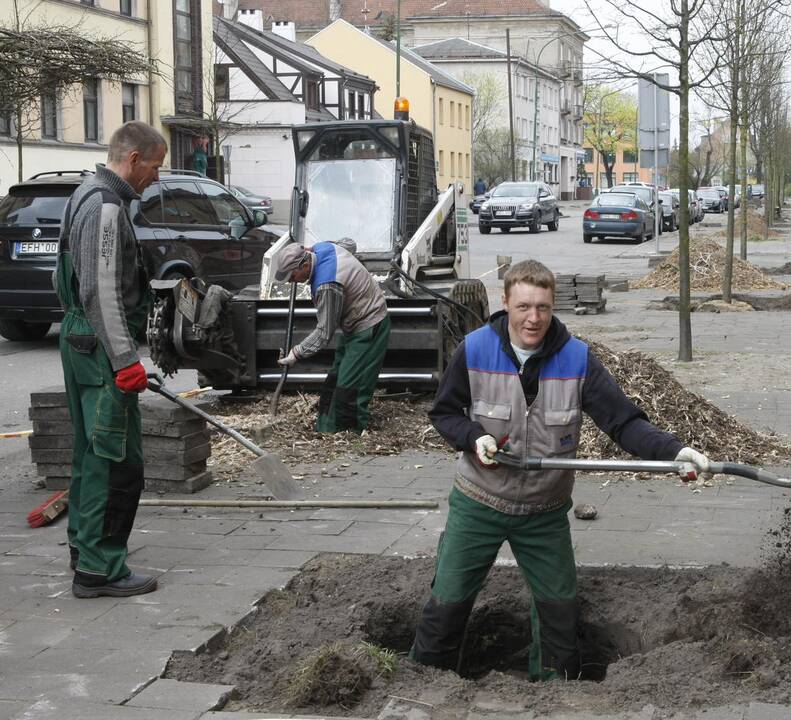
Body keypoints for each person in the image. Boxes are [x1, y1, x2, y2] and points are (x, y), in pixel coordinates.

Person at [410, 259, 711, 680]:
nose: (534, 319)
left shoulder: (577, 360)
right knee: (448, 603)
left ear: (553, 307)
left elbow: (624, 422)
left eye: (544, 308)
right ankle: (422, 684)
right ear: (506, 303)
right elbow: (443, 412)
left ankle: (555, 695)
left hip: (543, 511)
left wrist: (675, 451)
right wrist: (472, 435)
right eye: (524, 307)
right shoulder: (474, 349)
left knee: (559, 614)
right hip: (478, 502)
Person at [55, 121, 167, 598]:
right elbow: (100, 290)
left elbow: (66, 280)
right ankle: (100, 570)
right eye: (156, 168)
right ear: (134, 159)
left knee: (88, 452)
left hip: (79, 338)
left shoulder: (84, 192)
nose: (156, 180)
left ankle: (84, 548)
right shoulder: (105, 207)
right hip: (100, 350)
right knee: (114, 459)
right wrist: (125, 359)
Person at [274, 240, 390, 434]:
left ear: (305, 265)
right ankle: (326, 430)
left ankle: (349, 435)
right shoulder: (322, 248)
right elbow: (350, 244)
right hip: (353, 323)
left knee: (351, 387)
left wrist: (296, 354)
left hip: (369, 325)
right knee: (334, 381)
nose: (291, 281)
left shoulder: (327, 285)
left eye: (293, 275)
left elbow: (324, 332)